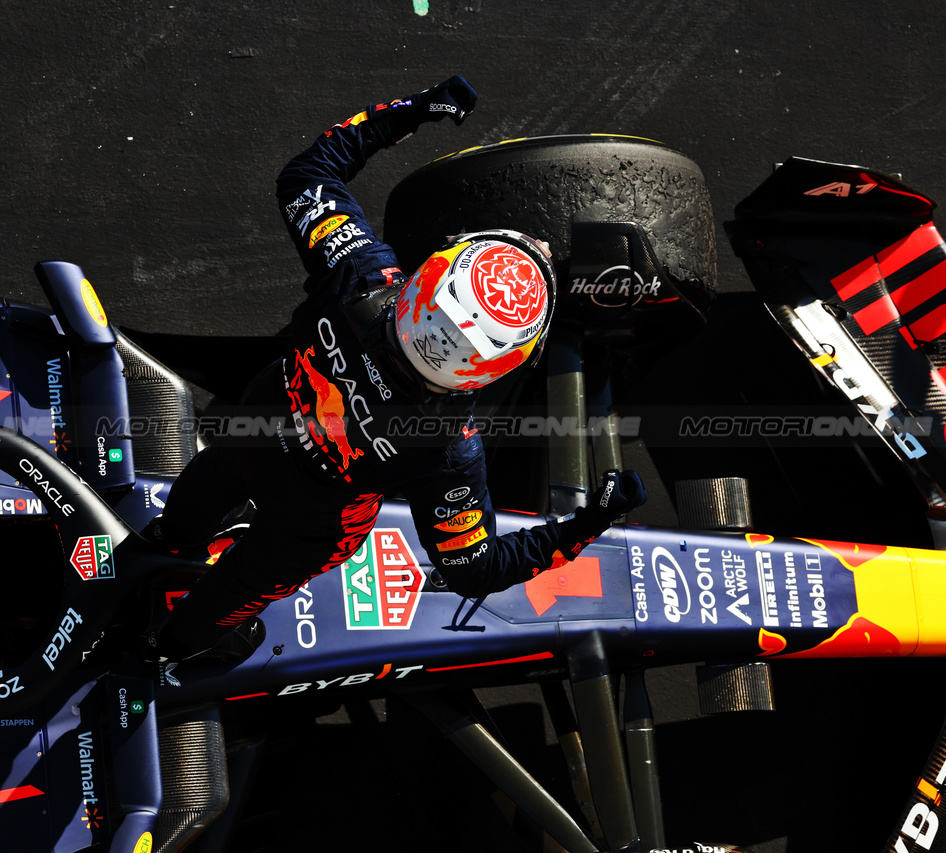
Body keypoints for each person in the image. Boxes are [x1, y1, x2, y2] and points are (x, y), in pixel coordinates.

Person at [151, 76, 646, 662]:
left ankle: (171, 540)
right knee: (234, 596)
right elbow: (475, 570)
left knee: (200, 496)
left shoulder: (357, 274)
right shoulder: (447, 452)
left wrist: (411, 111)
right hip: (310, 525)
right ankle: (169, 647)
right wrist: (593, 521)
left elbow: (308, 175)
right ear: (501, 363)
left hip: (251, 431)